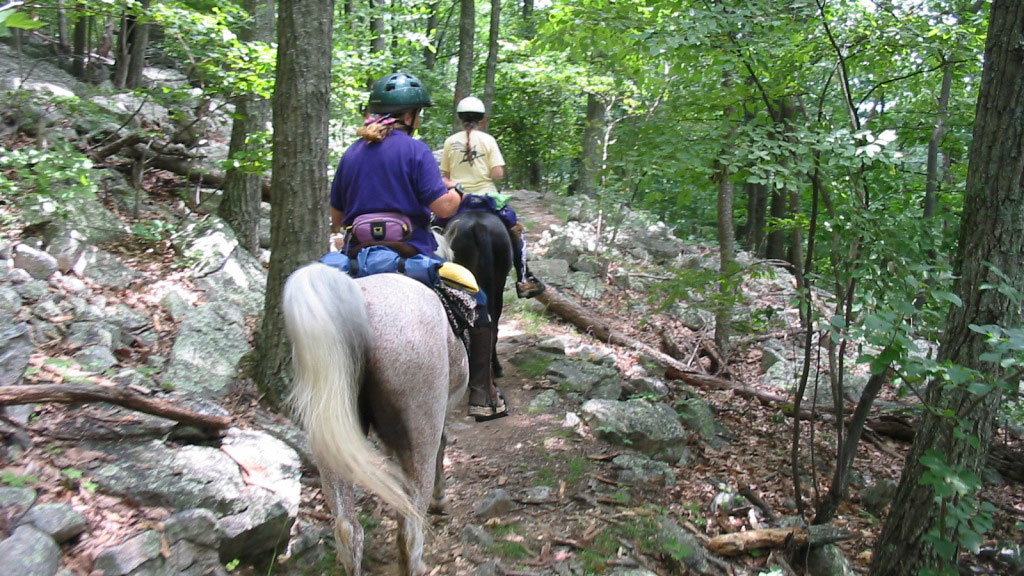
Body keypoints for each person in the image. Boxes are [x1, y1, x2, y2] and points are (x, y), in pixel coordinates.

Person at [329, 72, 508, 422]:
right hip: (411, 252)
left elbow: (337, 217)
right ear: (409, 116)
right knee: (479, 301)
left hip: (357, 255)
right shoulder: (415, 150)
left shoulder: (352, 153)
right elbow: (443, 208)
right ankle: (481, 394)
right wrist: (454, 191)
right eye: (418, 114)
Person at [440, 96, 545, 299]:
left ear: (460, 118)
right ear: (482, 120)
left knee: (435, 230)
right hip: (488, 199)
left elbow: (445, 179)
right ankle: (524, 279)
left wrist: (459, 184)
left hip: (459, 201)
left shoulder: (450, 142)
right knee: (517, 232)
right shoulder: (489, 141)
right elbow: (498, 174)